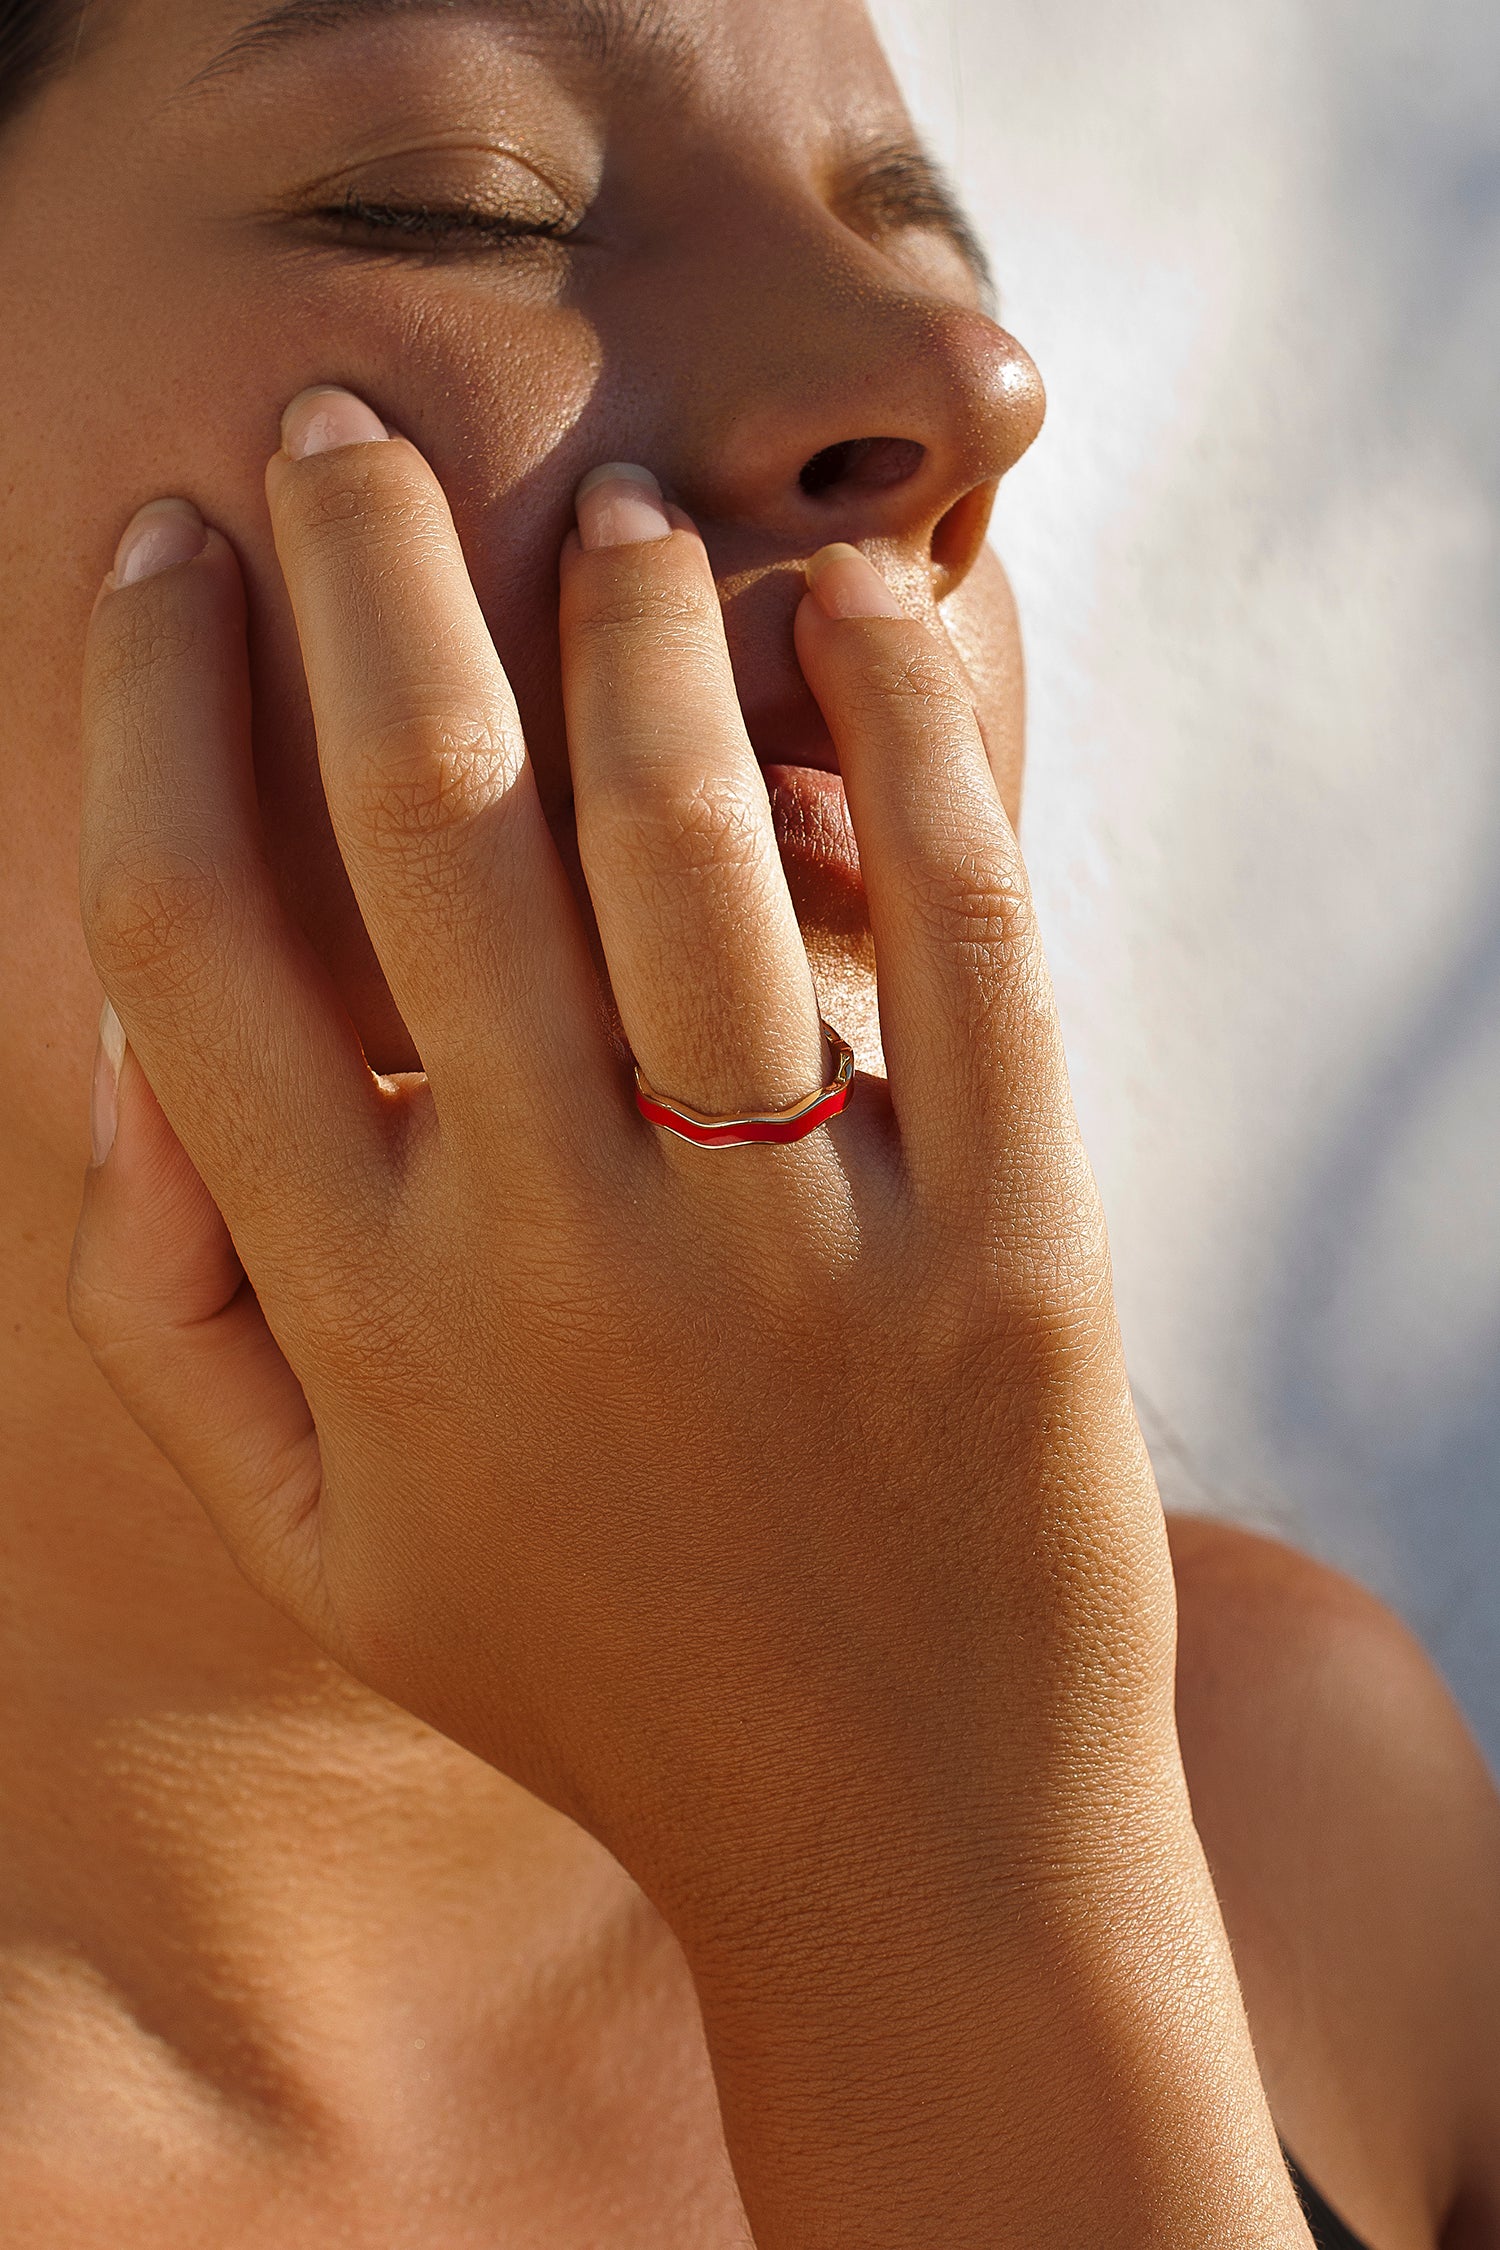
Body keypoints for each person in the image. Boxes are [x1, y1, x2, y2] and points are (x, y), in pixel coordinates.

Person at [1, 1, 1496, 2242]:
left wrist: (923, 1879)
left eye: (930, 244)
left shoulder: (1276, 1803)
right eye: (467, 203)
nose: (971, 386)